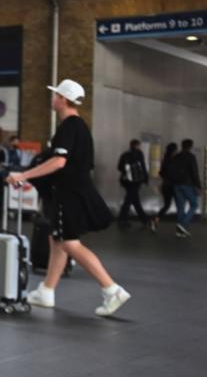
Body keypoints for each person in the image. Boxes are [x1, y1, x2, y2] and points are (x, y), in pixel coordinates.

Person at [7, 79, 131, 317]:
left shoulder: (69, 127)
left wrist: (23, 175)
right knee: (58, 239)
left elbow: (58, 162)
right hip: (73, 191)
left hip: (69, 194)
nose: (52, 99)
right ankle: (47, 290)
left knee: (69, 242)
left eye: (55, 96)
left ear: (63, 99)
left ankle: (111, 289)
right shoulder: (78, 127)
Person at [165, 139, 201, 238]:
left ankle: (180, 232)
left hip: (176, 185)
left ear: (182, 146)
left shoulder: (176, 157)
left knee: (181, 207)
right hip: (187, 185)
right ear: (190, 146)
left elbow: (169, 171)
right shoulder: (191, 157)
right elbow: (194, 172)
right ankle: (182, 225)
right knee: (194, 204)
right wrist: (198, 186)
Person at [117, 139, 152, 231]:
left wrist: (127, 171)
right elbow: (143, 166)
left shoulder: (124, 155)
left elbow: (119, 167)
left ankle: (143, 219)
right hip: (136, 181)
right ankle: (123, 219)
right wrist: (145, 179)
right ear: (137, 145)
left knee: (133, 199)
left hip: (126, 181)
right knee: (129, 200)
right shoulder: (139, 154)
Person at [152, 142, 178, 228]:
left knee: (167, 205)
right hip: (173, 186)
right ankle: (182, 224)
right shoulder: (174, 160)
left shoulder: (165, 159)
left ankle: (156, 219)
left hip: (166, 185)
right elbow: (174, 174)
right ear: (174, 150)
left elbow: (161, 173)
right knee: (180, 204)